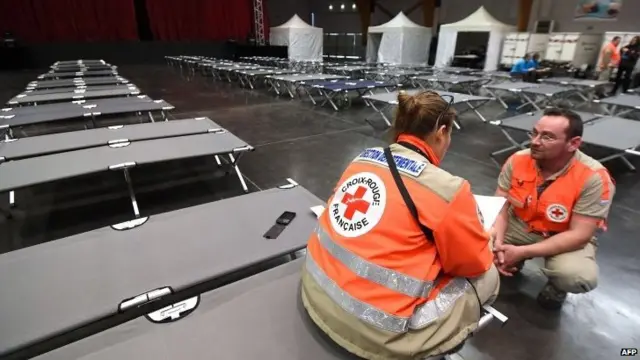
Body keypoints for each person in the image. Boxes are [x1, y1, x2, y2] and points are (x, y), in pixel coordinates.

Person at [301, 91, 500, 359]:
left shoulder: (361, 159)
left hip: (315, 292)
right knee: (488, 276)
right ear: (441, 132)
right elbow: (471, 264)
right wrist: (484, 238)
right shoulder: (447, 189)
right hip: (378, 336)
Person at [492, 108, 615, 311]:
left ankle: (556, 286)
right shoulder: (518, 160)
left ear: (573, 143)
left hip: (563, 234)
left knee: (577, 277)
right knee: (473, 243)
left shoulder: (594, 178)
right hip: (519, 224)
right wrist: (497, 243)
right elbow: (500, 206)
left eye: (547, 137)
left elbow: (579, 235)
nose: (535, 141)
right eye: (535, 133)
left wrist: (522, 251)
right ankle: (509, 260)